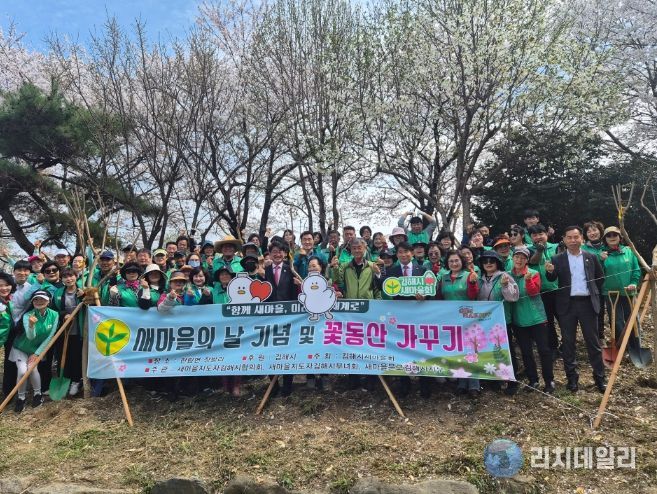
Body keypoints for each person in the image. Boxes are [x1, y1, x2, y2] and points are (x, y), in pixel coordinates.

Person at [545, 226, 606, 393]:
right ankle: (572, 378)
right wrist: (549, 271)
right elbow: (552, 278)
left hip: (588, 304)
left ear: (582, 239)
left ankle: (600, 377)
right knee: (568, 343)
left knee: (593, 343)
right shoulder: (557, 258)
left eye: (576, 237)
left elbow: (600, 278)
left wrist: (592, 292)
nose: (573, 240)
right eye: (569, 237)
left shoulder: (591, 257)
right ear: (564, 240)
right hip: (567, 305)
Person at [331, 238, 381, 389]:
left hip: (369, 310)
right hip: (351, 310)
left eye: (360, 247)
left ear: (365, 249)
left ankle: (371, 378)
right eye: (354, 248)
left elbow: (377, 288)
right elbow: (337, 280)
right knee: (352, 344)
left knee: (370, 344)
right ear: (351, 250)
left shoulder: (372, 266)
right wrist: (334, 267)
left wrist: (377, 305)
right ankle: (353, 378)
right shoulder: (346, 266)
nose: (357, 250)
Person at [382, 241, 431, 398]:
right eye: (400, 252)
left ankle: (425, 384)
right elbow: (383, 286)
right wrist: (377, 274)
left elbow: (431, 289)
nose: (403, 255)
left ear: (412, 253)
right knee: (401, 349)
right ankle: (404, 384)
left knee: (421, 349)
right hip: (400, 317)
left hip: (419, 317)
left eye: (406, 251)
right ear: (397, 255)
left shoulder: (422, 270)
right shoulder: (392, 271)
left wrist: (425, 296)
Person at [509, 247, 555, 393]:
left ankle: (549, 380)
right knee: (526, 351)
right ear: (512, 258)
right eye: (517, 257)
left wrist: (528, 281)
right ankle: (533, 380)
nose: (519, 260)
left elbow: (534, 292)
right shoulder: (507, 276)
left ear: (527, 260)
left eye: (523, 258)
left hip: (537, 318)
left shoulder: (533, 273)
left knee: (544, 350)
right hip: (518, 319)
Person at [477, 251, 520, 394]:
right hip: (484, 322)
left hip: (501, 321)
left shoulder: (505, 276)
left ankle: (512, 381)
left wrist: (505, 286)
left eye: (492, 261)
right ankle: (494, 380)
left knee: (506, 351)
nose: (488, 263)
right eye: (485, 261)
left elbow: (513, 297)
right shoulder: (479, 279)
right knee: (489, 350)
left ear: (498, 263)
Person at [437, 250, 479, 396]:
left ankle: (474, 385)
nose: (454, 263)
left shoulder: (469, 275)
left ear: (462, 261)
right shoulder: (443, 278)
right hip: (450, 319)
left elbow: (474, 295)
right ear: (447, 263)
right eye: (451, 261)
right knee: (458, 350)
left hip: (468, 318)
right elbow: (439, 298)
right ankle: (462, 382)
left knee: (471, 350)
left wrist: (473, 283)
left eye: (456, 260)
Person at [11, 290, 59, 412]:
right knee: (22, 371)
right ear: (32, 302)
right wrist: (31, 325)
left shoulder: (54, 315)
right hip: (21, 348)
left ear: (48, 301)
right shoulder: (28, 315)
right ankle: (21, 398)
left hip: (36, 350)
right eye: (36, 299)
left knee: (32, 369)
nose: (39, 301)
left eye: (42, 299)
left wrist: (37, 353)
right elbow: (30, 337)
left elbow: (50, 337)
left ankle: (38, 395)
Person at [265, 242, 298, 396]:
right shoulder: (264, 271)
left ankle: (287, 385)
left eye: (280, 252)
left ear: (285, 254)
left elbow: (295, 293)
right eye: (274, 251)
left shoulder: (290, 270)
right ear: (270, 253)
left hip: (287, 317)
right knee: (269, 350)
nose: (277, 254)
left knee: (287, 350)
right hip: (269, 317)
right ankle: (274, 385)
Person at [600, 226, 642, 350]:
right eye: (609, 236)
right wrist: (601, 261)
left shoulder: (629, 251)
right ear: (605, 239)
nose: (612, 237)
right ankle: (623, 346)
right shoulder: (601, 254)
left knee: (632, 319)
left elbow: (636, 269)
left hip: (628, 291)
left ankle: (636, 346)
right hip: (610, 293)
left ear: (620, 237)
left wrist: (634, 282)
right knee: (616, 320)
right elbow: (597, 274)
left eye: (615, 235)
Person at [528, 224, 561, 359]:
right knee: (548, 322)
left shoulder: (555, 247)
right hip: (541, 292)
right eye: (534, 235)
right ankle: (553, 347)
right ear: (530, 237)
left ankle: (568, 345)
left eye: (541, 233)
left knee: (564, 319)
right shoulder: (529, 250)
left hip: (559, 289)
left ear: (546, 234)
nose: (538, 237)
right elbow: (532, 261)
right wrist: (539, 251)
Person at [52, 268, 85, 396]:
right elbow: (54, 310)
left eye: (71, 276)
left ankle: (76, 381)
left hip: (79, 329)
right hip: (63, 329)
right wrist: (64, 314)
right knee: (63, 355)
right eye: (65, 277)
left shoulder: (82, 291)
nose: (68, 279)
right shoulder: (58, 292)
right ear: (62, 279)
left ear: (76, 277)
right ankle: (65, 379)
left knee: (76, 356)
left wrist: (84, 296)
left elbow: (91, 305)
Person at [582, 220, 607, 339]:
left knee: (612, 313)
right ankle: (599, 337)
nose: (592, 233)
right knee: (597, 311)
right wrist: (599, 257)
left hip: (609, 284)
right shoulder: (583, 248)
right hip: (593, 285)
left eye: (594, 230)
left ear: (600, 231)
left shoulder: (607, 245)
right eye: (589, 231)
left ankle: (619, 339)